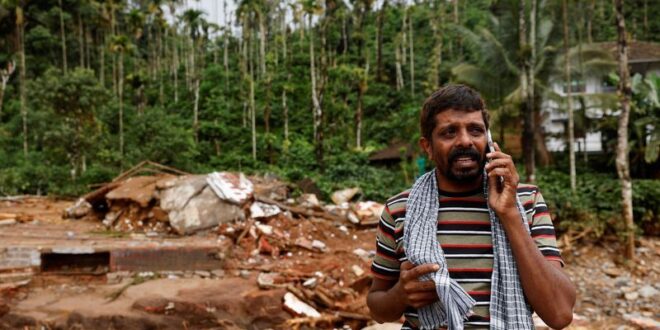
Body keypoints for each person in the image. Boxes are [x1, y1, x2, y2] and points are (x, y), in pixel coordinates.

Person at [367, 85, 576, 330]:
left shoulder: (526, 201)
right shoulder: (399, 209)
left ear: (488, 140)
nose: (465, 140)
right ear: (428, 147)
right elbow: (377, 307)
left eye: (475, 130)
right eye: (449, 132)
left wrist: (509, 214)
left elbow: (560, 314)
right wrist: (400, 295)